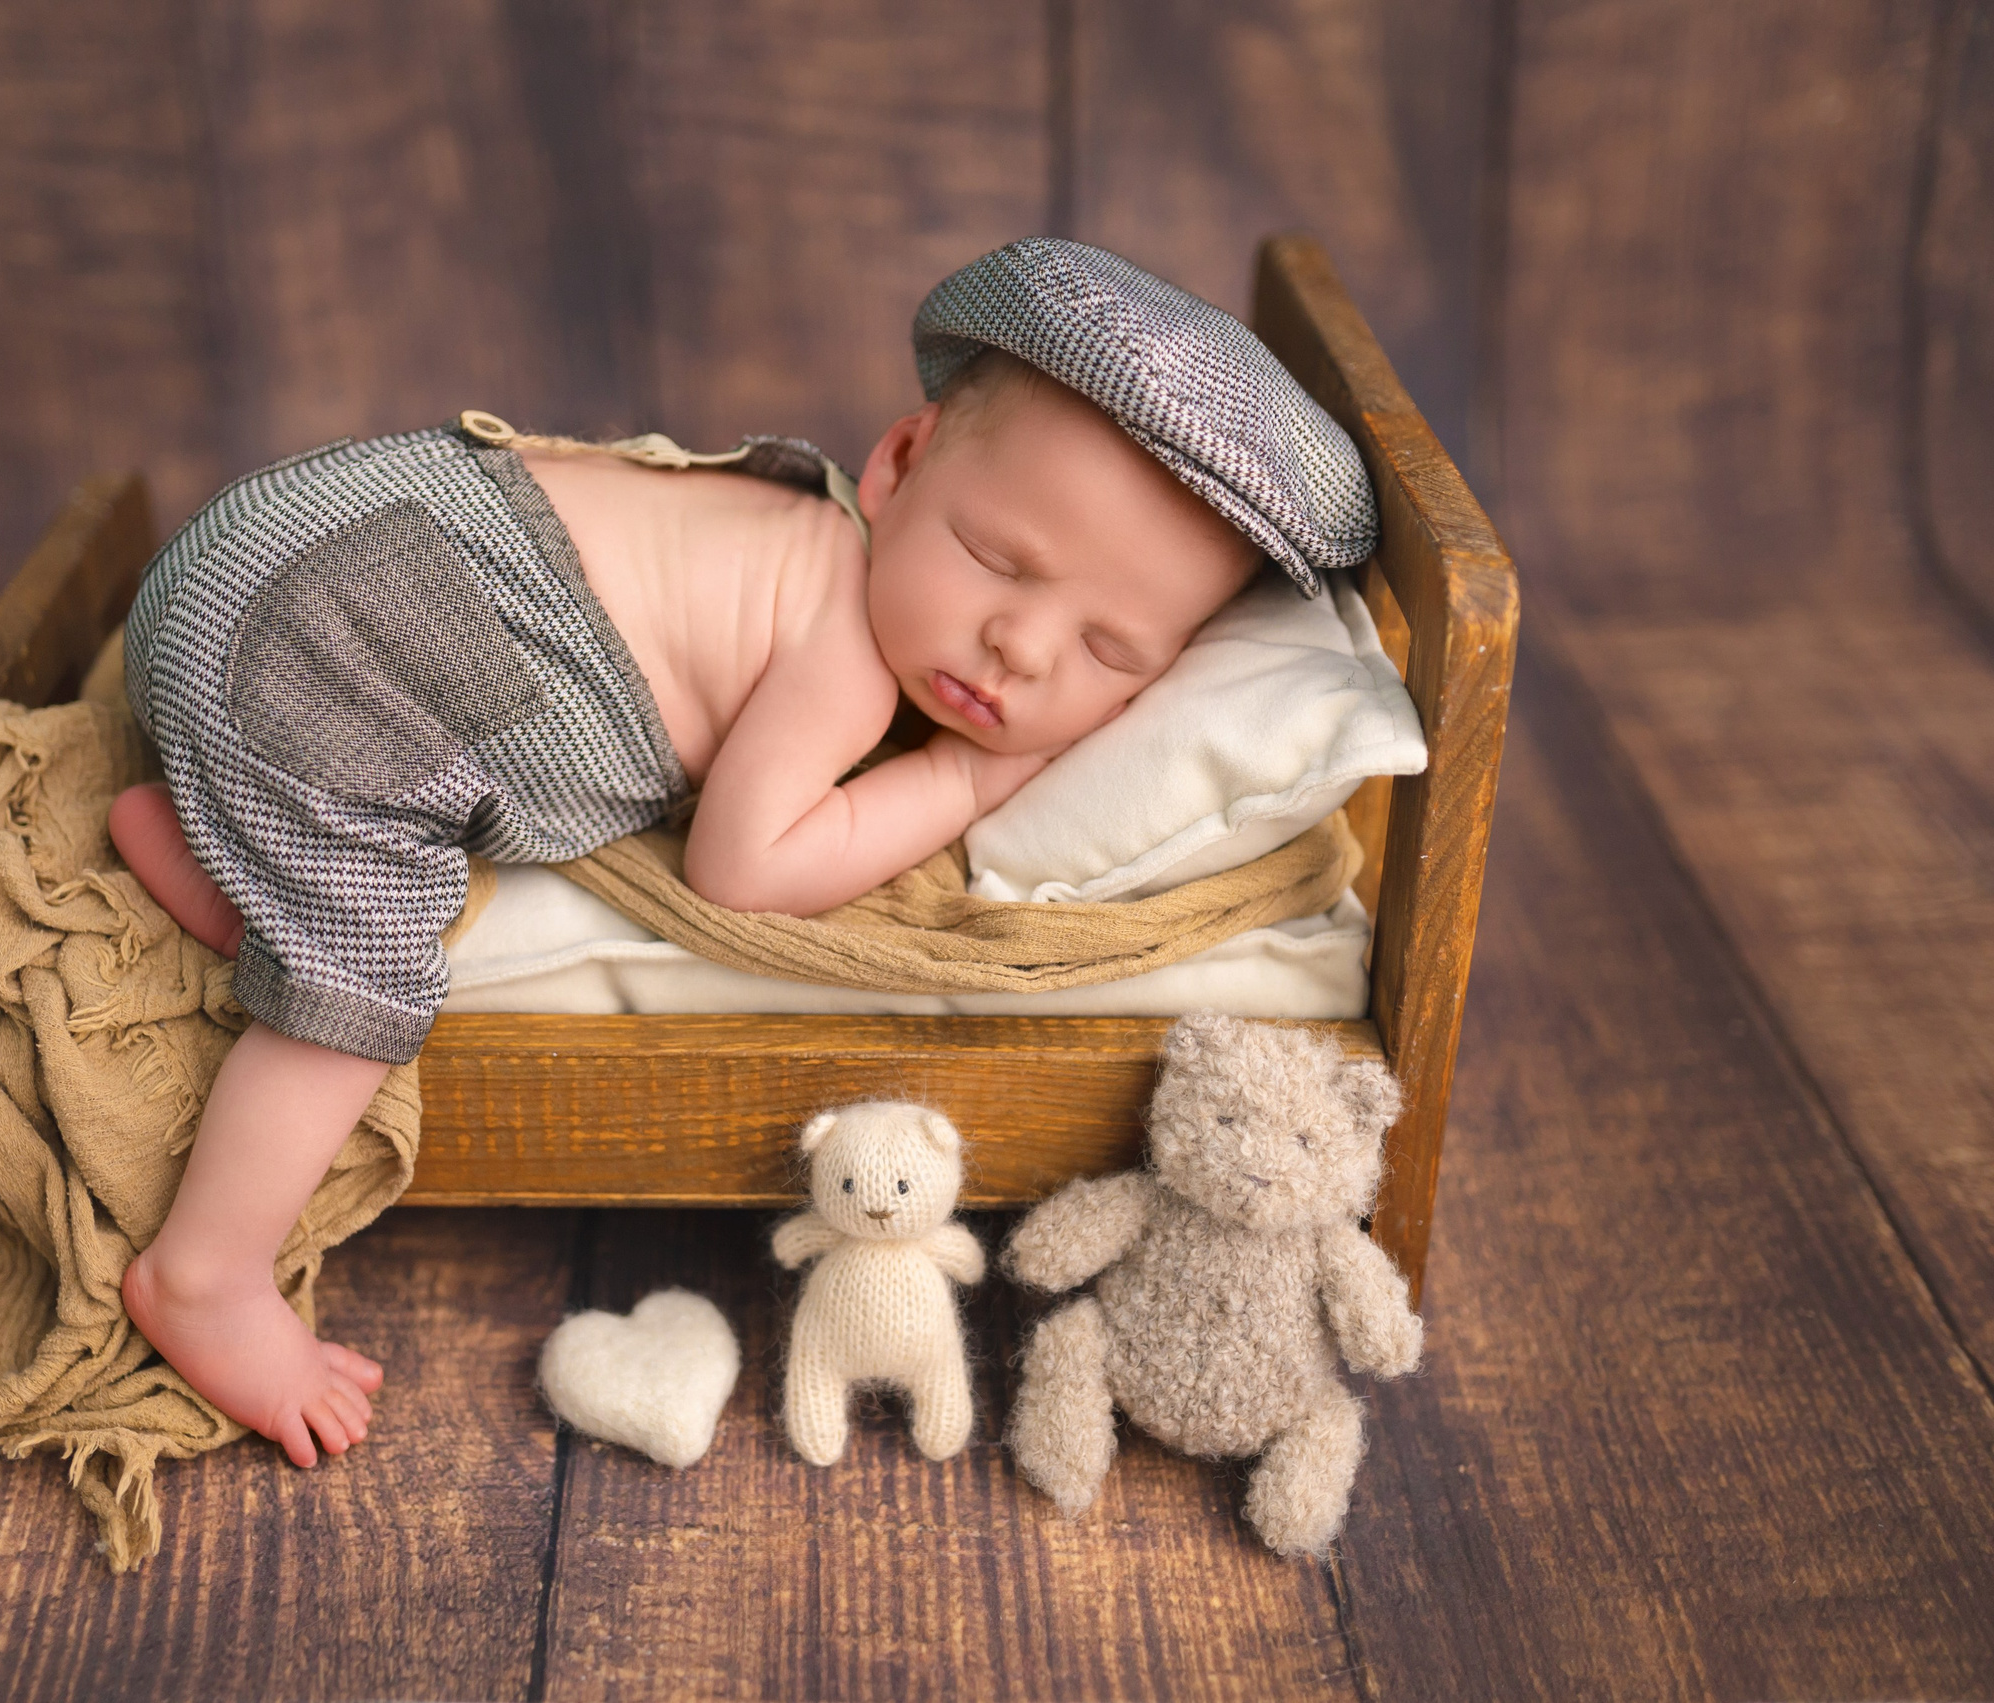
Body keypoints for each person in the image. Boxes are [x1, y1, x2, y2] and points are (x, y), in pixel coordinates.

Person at [101, 238, 1380, 1464]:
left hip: (252, 556)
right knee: (371, 975)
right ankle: (204, 1273)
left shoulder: (784, 518)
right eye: (995, 560)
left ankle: (218, 844)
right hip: (332, 630)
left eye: (1111, 653)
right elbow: (744, 870)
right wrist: (957, 772)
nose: (1021, 650)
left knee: (357, 838)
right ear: (896, 466)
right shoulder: (840, 641)